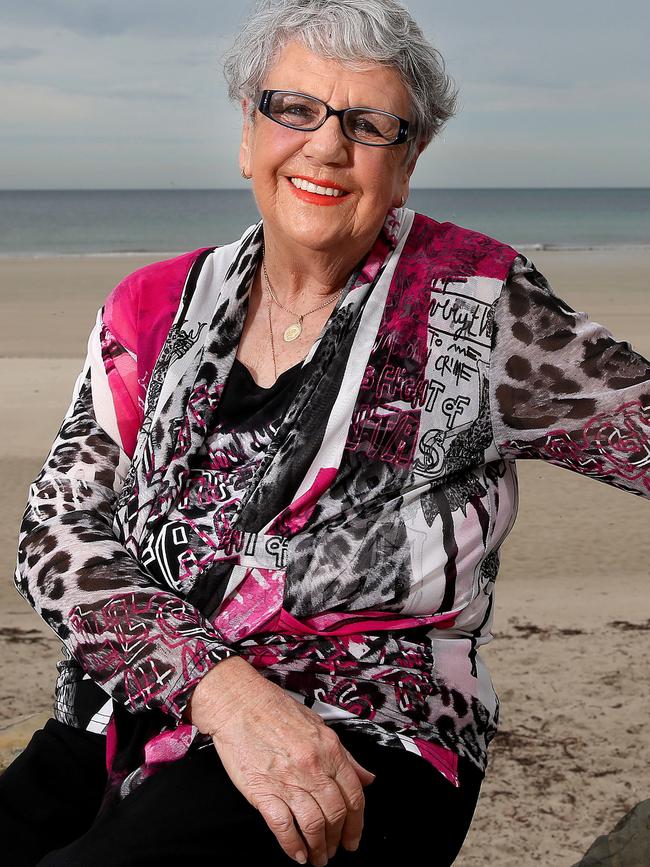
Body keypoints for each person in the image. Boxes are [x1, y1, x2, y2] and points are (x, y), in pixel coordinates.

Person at [2, 0, 649, 865]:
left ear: (409, 161)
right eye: (293, 109)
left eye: (369, 124)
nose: (326, 145)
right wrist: (218, 691)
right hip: (135, 705)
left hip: (363, 733)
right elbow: (56, 533)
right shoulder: (151, 307)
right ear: (247, 133)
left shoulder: (475, 307)